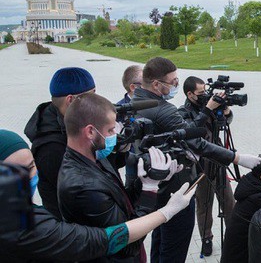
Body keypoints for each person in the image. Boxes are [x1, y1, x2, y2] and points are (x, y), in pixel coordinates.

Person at [131, 57, 261, 262]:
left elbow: (215, 125)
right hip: (175, 187)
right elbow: (194, 139)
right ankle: (207, 239)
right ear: (156, 84)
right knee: (174, 245)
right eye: (172, 81)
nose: (175, 85)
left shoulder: (136, 100)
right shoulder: (165, 109)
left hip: (157, 185)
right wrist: (237, 158)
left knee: (160, 239)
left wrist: (222, 111)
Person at [0, 129, 196, 262]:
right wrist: (167, 211)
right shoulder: (23, 225)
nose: (26, 177)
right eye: (12, 171)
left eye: (31, 166)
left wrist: (145, 183)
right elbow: (103, 240)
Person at [57, 93, 182, 263]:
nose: (115, 135)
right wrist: (150, 190)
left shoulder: (96, 158)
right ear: (90, 131)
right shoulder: (82, 186)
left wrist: (147, 179)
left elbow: (122, 202)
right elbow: (126, 244)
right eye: (110, 130)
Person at [24, 67, 96, 219]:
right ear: (71, 100)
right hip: (69, 226)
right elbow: (81, 192)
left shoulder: (72, 122)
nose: (97, 102)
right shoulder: (50, 147)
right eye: (92, 96)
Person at [178, 75, 235, 256]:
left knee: (229, 202)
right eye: (201, 93)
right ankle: (206, 239)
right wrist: (207, 109)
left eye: (206, 92)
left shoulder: (209, 105)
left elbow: (227, 123)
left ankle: (233, 238)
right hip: (200, 166)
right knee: (204, 205)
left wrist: (225, 111)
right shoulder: (183, 112)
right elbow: (190, 134)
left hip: (218, 159)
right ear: (190, 94)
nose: (205, 96)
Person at [116, 65, 143, 188]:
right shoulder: (119, 110)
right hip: (133, 164)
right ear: (133, 87)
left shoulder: (152, 103)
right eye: (146, 82)